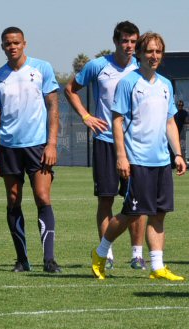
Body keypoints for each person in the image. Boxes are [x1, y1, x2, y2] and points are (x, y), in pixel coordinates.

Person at [91, 32, 187, 281]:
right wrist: (121, 156)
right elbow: (117, 119)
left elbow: (169, 122)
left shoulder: (166, 84)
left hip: (161, 161)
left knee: (159, 213)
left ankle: (157, 267)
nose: (153, 56)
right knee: (131, 213)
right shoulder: (128, 82)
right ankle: (100, 254)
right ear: (140, 54)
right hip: (137, 160)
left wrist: (177, 154)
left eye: (158, 52)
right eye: (149, 51)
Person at [64, 21, 148, 270]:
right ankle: (106, 253)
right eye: (125, 41)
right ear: (115, 41)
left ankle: (137, 254)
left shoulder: (141, 68)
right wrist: (86, 116)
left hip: (135, 144)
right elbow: (70, 89)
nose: (129, 46)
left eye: (133, 41)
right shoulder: (98, 65)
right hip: (105, 142)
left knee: (138, 202)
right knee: (106, 199)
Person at [0, 27, 62, 273]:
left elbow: (53, 107)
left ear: (24, 43)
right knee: (12, 199)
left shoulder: (42, 69)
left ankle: (49, 260)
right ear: (2, 46)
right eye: (8, 43)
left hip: (38, 146)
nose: (12, 47)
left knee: (42, 197)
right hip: (9, 148)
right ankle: (22, 259)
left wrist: (51, 143)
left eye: (16, 42)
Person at [169, 100, 189, 165]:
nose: (180, 106)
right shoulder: (174, 112)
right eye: (179, 105)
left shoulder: (184, 112)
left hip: (180, 132)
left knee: (181, 148)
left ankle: (181, 163)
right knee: (171, 147)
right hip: (173, 132)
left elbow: (187, 119)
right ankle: (172, 163)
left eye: (181, 105)